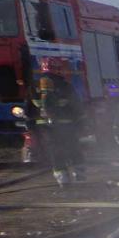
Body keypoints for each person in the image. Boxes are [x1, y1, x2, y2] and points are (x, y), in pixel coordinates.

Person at [31, 57, 85, 185]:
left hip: (46, 128)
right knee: (73, 149)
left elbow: (29, 109)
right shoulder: (65, 86)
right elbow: (76, 106)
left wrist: (32, 126)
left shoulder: (34, 86)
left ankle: (62, 179)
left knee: (55, 152)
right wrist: (81, 122)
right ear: (58, 69)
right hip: (67, 127)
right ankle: (79, 175)